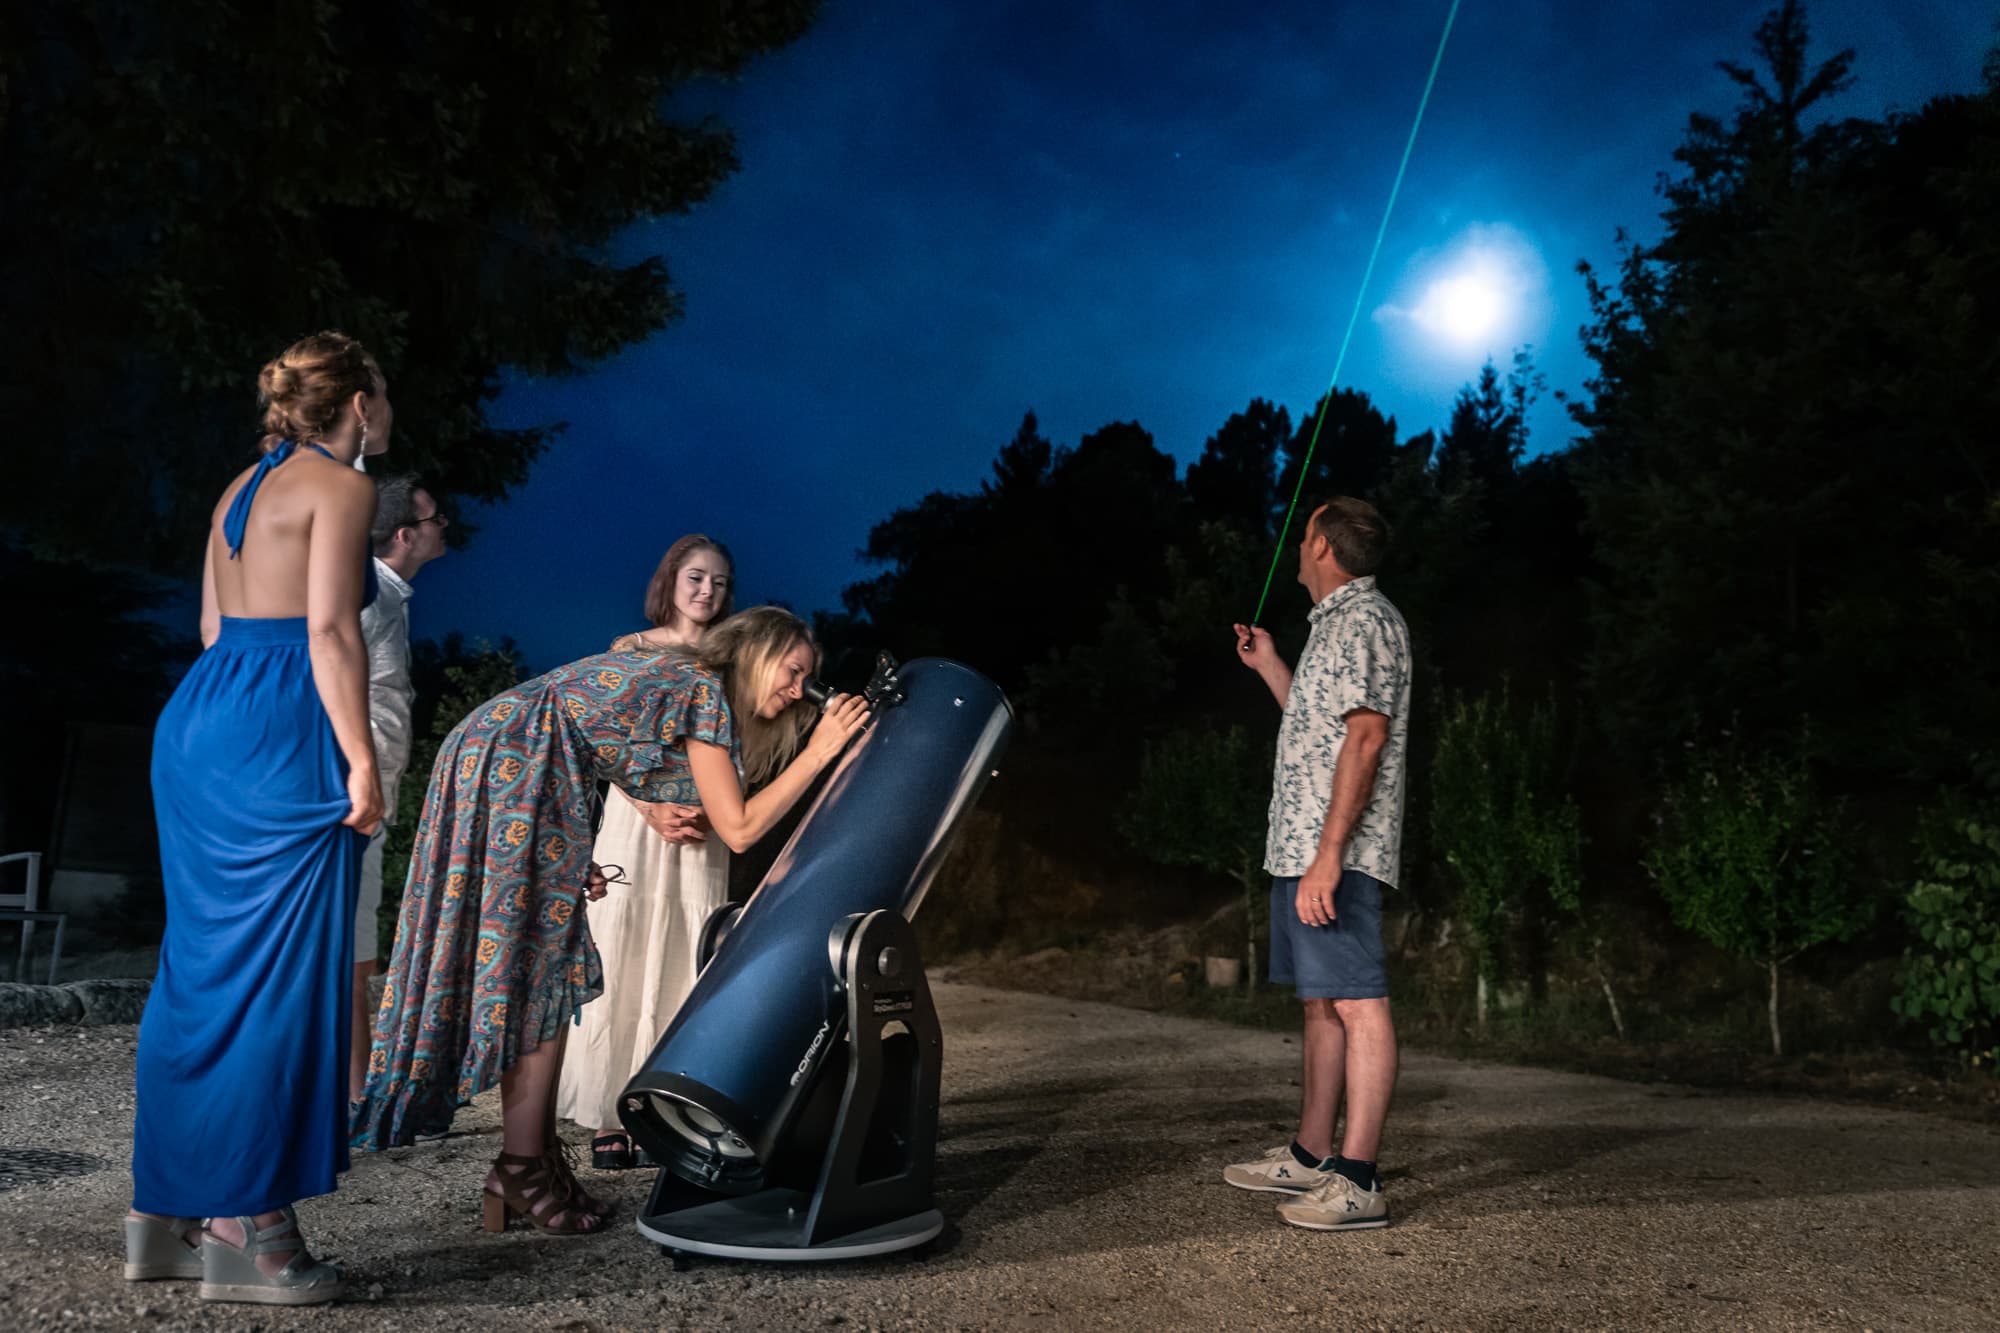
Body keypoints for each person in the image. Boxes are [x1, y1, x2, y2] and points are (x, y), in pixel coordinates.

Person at [352, 605, 869, 1236]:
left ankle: (530, 1160)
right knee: (542, 963)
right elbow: (740, 830)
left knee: (550, 954)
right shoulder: (703, 690)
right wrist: (821, 752)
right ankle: (520, 1166)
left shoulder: (681, 680)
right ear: (757, 653)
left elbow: (601, 729)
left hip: (514, 754)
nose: (798, 692)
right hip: (521, 760)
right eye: (793, 672)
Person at [129, 331, 391, 1306]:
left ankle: (163, 1215)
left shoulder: (238, 490)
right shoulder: (342, 485)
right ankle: (250, 1229)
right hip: (280, 726)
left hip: (202, 715)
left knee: (199, 967)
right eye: (384, 393)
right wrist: (360, 759)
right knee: (278, 979)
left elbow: (208, 627)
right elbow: (328, 630)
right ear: (358, 404)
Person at [1224, 496, 1411, 1231]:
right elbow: (1317, 725)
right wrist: (1273, 665)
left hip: (1339, 851)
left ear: (1327, 548)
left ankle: (1358, 1178)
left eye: (1305, 536)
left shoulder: (1367, 621)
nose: (1297, 547)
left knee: (1359, 1001)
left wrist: (1331, 858)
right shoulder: (1334, 628)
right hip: (1302, 848)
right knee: (1321, 1001)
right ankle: (1309, 1154)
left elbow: (1364, 740)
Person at [555, 535, 738, 1169]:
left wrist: (717, 808)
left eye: (718, 580)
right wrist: (650, 807)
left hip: (702, 826)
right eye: (695, 576)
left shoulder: (731, 657)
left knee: (686, 954)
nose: (706, 590)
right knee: (627, 949)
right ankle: (610, 1112)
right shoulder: (629, 651)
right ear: (671, 580)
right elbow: (602, 746)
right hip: (638, 821)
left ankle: (670, 1106)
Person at [348, 475, 450, 1100]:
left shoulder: (391, 595)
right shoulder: (365, 595)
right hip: (348, 796)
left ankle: (357, 1090)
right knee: (343, 952)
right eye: (436, 517)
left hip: (369, 796)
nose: (445, 527)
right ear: (406, 534)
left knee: (358, 954)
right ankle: (342, 1095)